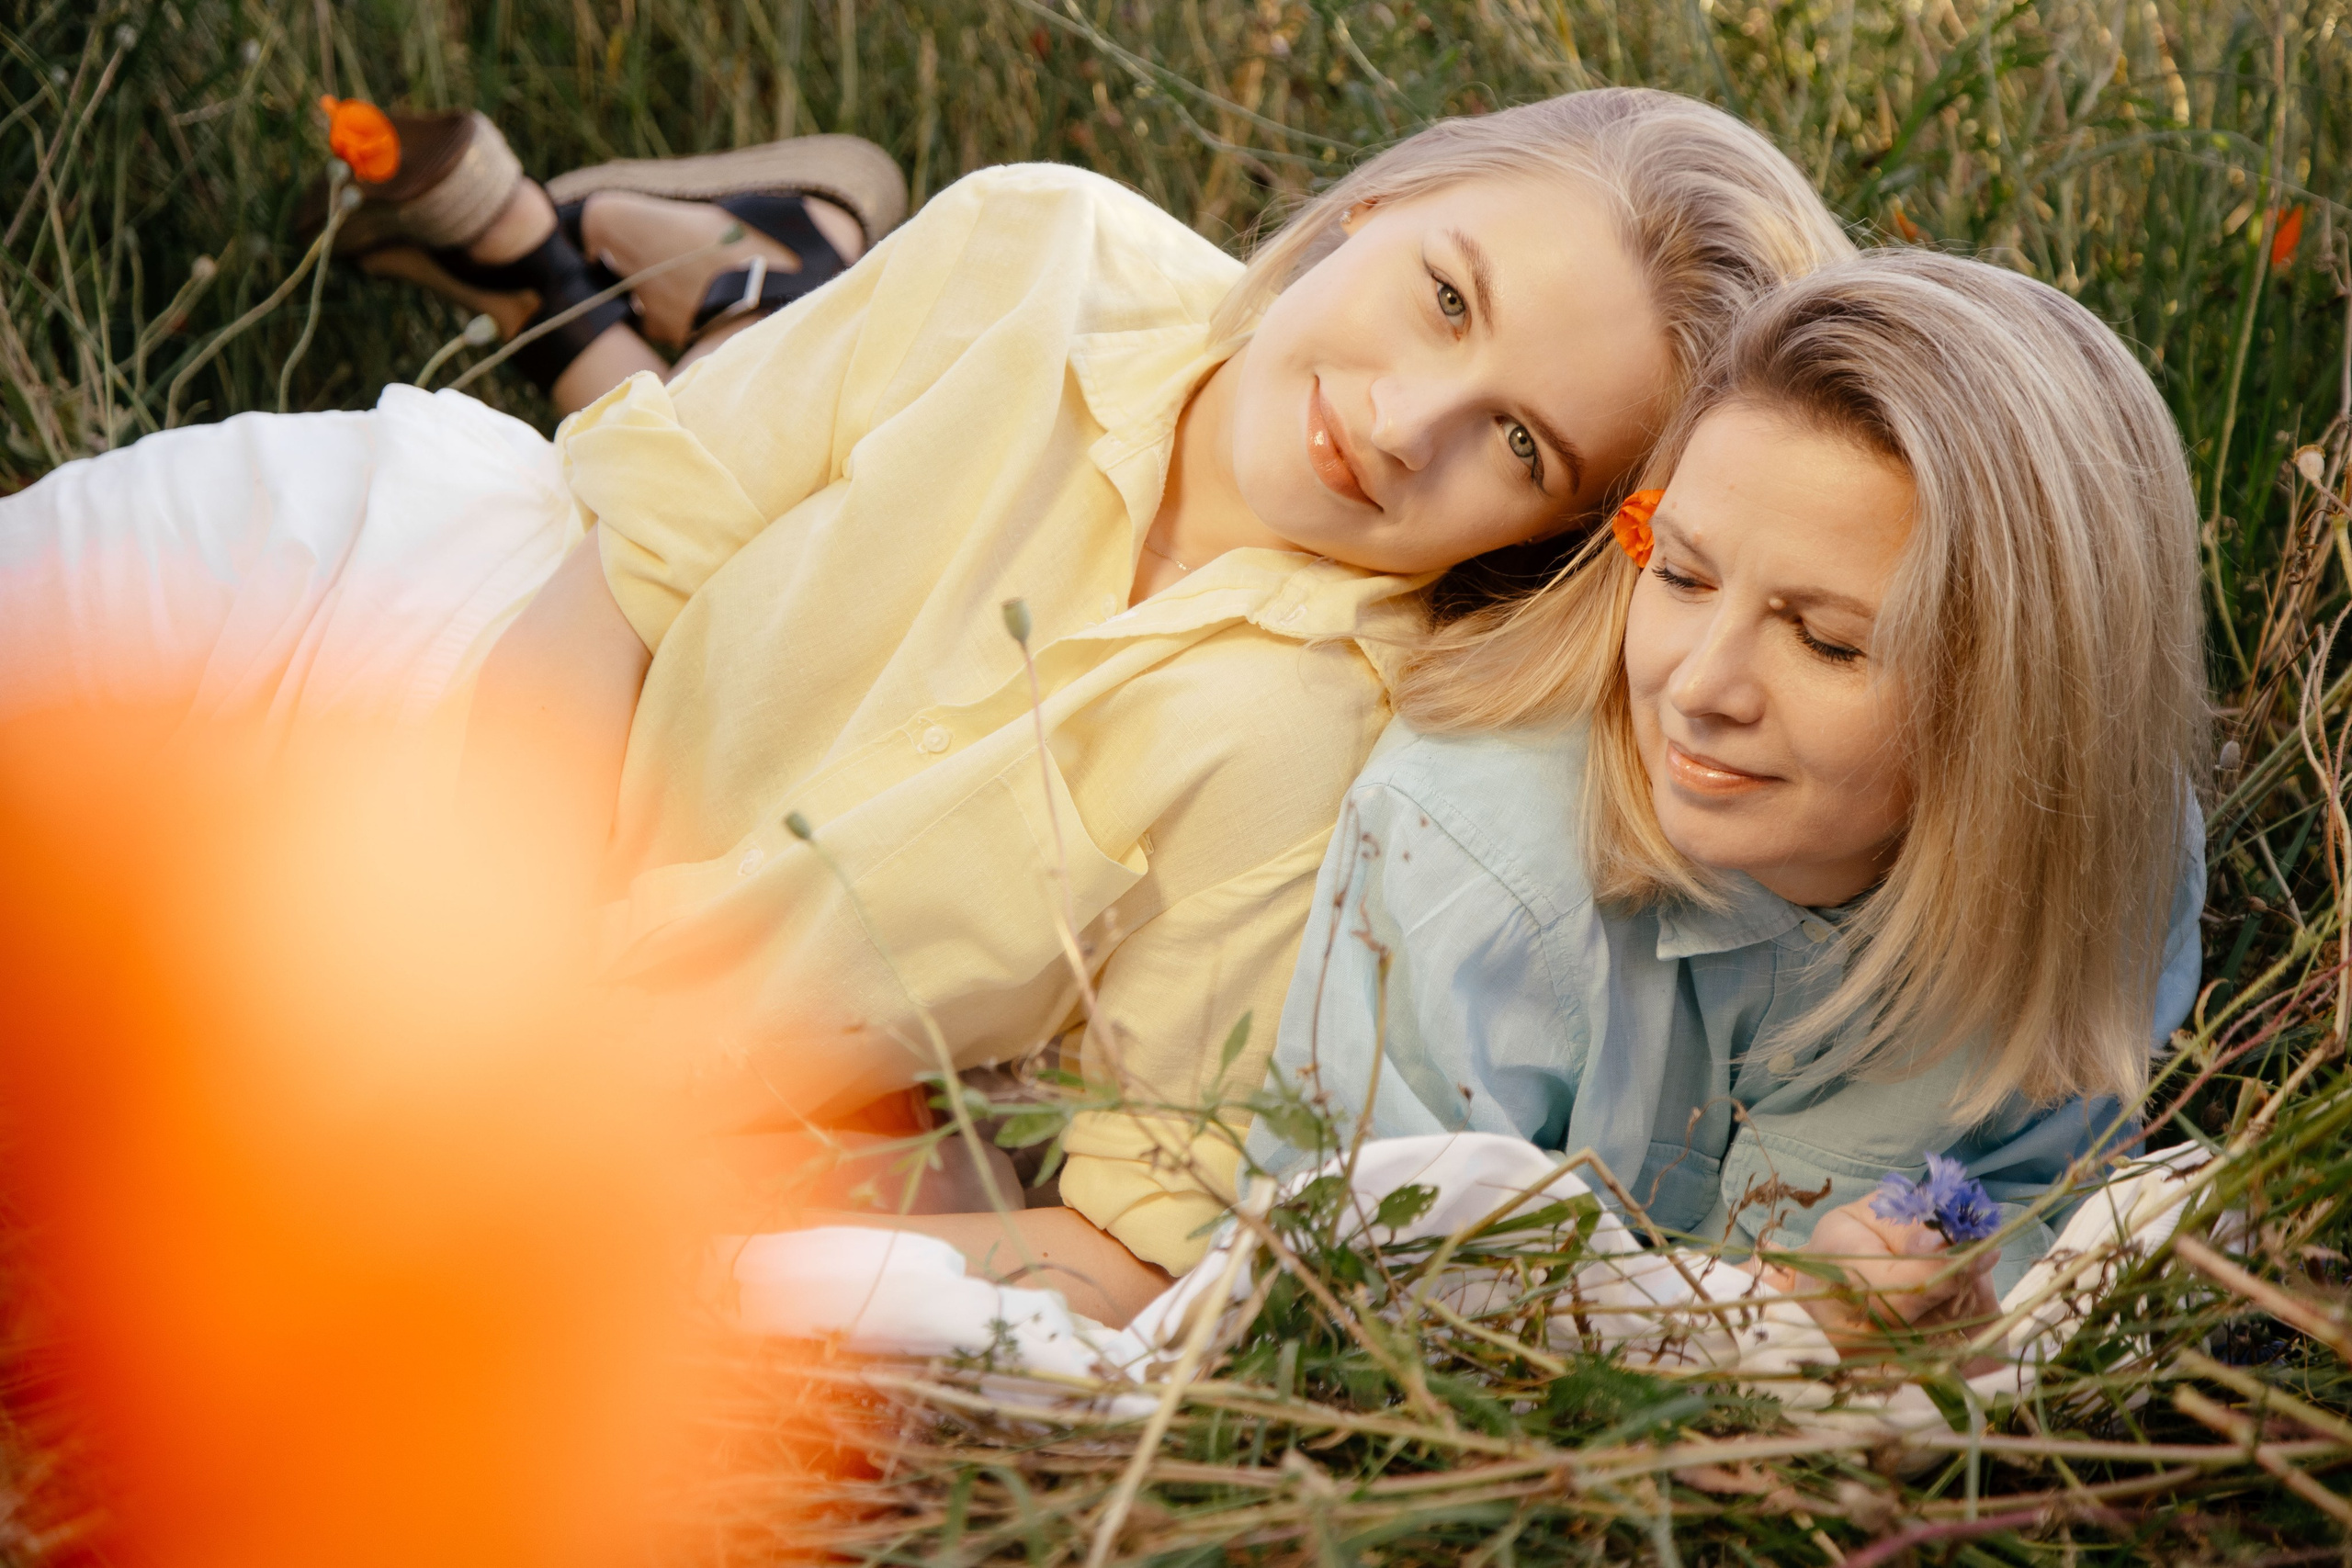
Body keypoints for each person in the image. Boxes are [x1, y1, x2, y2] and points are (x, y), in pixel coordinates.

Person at [0, 89, 1853, 1327]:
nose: (1397, 422)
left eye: (1514, 443)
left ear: (1549, 530)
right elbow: (626, 558)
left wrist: (671, 1247)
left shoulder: (1320, 758)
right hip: (416, 628)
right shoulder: (1042, 250)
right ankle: (751, 264)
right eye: (1439, 298)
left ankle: (708, 258)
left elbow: (1132, 1236)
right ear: (1374, 206)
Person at [1249, 248, 2208, 1355]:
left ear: (2022, 704)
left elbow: (2034, 1189)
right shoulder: (1474, 844)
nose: (1697, 688)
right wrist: (1751, 1328)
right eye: (1684, 576)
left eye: (1825, 639)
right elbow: (1345, 1289)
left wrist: (1949, 1296)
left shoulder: (2106, 863)